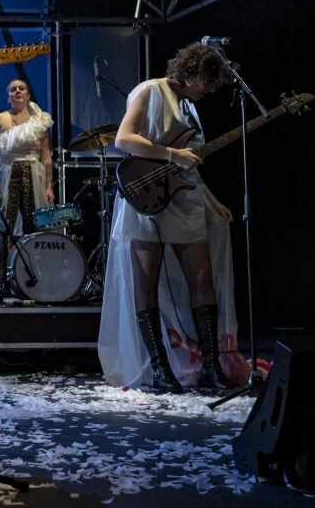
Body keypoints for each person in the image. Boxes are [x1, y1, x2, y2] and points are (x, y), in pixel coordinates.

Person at [97, 42, 247, 393]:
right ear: (191, 72)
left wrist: (211, 200)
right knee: (146, 281)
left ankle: (211, 366)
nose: (209, 89)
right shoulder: (151, 90)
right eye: (207, 81)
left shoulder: (189, 106)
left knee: (202, 278)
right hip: (144, 195)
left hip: (183, 197)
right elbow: (123, 139)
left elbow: (189, 163)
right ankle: (161, 368)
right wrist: (170, 154)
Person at [0, 78, 54, 297]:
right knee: (3, 227)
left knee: (32, 228)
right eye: (13, 89)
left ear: (28, 94)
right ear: (8, 96)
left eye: (22, 88)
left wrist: (49, 186)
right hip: (6, 174)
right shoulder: (0, 119)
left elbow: (46, 156)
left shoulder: (39, 121)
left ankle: (33, 283)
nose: (17, 91)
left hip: (33, 174)